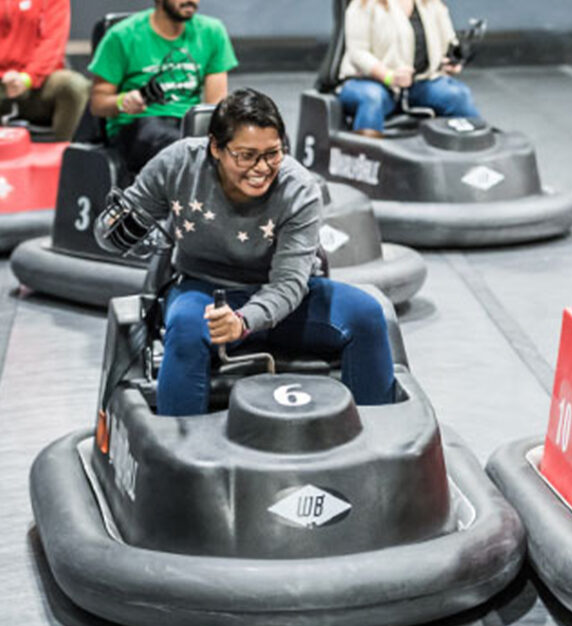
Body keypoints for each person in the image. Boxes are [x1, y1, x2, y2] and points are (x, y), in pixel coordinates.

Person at [96, 88, 395, 416]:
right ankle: (181, 454)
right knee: (184, 329)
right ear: (216, 148)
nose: (261, 168)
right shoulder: (178, 164)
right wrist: (116, 227)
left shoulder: (299, 188)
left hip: (287, 296)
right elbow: (123, 218)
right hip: (205, 289)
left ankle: (378, 440)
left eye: (273, 154)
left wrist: (243, 321)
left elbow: (289, 284)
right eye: (246, 155)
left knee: (366, 315)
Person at [88, 0, 238, 174]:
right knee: (185, 147)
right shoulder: (122, 35)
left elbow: (214, 106)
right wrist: (123, 101)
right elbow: (98, 104)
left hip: (187, 123)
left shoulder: (212, 32)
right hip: (138, 124)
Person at [338, 0, 479, 136]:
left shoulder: (432, 4)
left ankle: (477, 151)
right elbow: (357, 53)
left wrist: (451, 62)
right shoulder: (363, 5)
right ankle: (364, 157)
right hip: (369, 82)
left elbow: (448, 42)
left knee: (458, 95)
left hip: (419, 83)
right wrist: (388, 76)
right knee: (372, 98)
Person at [0, 0, 90, 141]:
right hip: (2, 81)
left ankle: (65, 156)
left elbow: (52, 43)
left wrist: (27, 78)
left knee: (73, 86)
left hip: (39, 83)